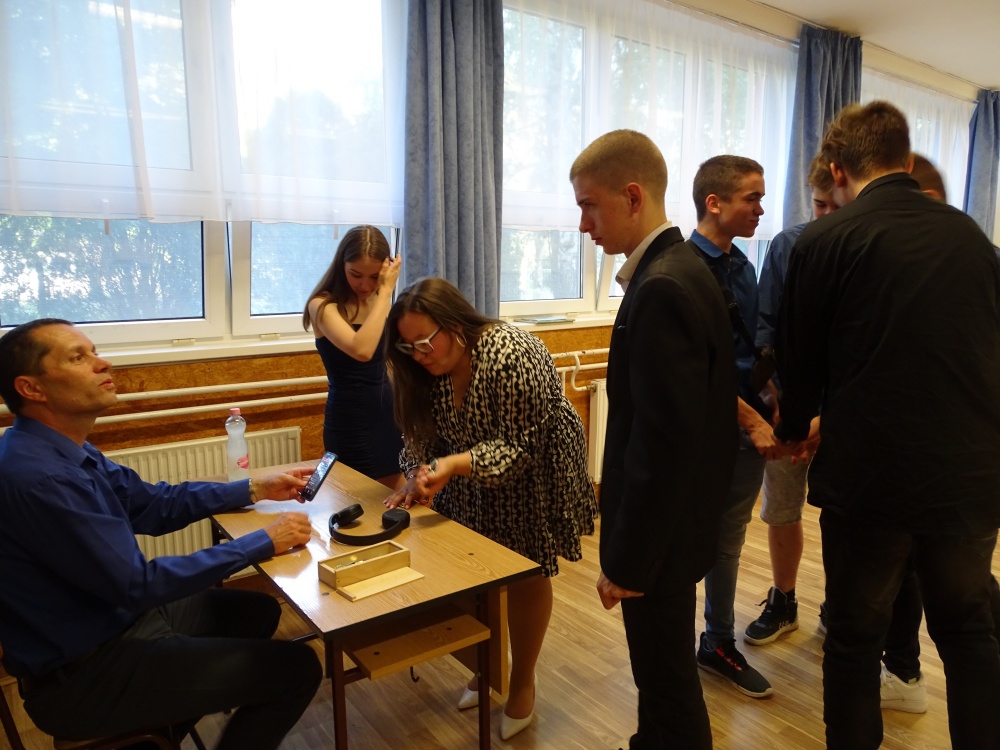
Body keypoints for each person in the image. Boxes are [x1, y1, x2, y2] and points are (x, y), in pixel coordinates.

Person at [773, 101, 1000, 750]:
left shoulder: (823, 242)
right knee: (969, 634)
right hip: (969, 478)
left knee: (853, 640)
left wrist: (792, 430)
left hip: (872, 481)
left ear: (837, 170)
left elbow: (799, 365)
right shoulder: (973, 240)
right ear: (905, 159)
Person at [0, 318, 323, 750]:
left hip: (114, 624)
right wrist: (263, 541)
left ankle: (166, 724)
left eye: (95, 352)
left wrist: (252, 488)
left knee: (257, 612)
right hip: (85, 674)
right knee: (298, 669)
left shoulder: (61, 448)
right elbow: (136, 584)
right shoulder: (41, 478)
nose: (103, 363)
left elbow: (152, 504)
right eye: (78, 357)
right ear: (31, 388)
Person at [570, 129, 738, 750]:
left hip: (659, 542)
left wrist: (628, 562)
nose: (584, 224)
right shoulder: (681, 269)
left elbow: (660, 448)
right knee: (661, 680)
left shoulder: (664, 285)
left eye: (590, 205)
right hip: (677, 530)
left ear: (633, 196)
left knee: (666, 681)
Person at [382, 277, 597, 741]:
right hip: (465, 471)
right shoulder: (426, 369)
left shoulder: (511, 353)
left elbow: (521, 446)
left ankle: (522, 681)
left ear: (455, 326)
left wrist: (451, 465)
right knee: (475, 570)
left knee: (525, 573)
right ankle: (488, 667)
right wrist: (417, 472)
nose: (419, 355)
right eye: (408, 347)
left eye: (425, 343)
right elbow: (421, 436)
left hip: (531, 471)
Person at [685, 155, 775, 699]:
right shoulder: (680, 270)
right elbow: (697, 372)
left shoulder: (741, 265)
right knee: (687, 538)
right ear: (714, 203)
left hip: (743, 431)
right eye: (752, 197)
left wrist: (773, 402)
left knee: (729, 539)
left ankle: (717, 641)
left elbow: (749, 353)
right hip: (700, 433)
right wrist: (750, 418)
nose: (761, 208)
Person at [742, 154, 837, 646]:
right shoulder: (787, 245)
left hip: (845, 410)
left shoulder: (869, 248)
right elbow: (766, 331)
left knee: (844, 513)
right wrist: (776, 402)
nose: (827, 216)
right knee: (781, 508)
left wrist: (829, 417)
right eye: (819, 206)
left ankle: (839, 605)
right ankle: (784, 600)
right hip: (789, 406)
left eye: (836, 206)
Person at [304, 225, 403, 488]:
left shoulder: (379, 303)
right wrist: (385, 293)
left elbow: (387, 362)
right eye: (356, 274)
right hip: (350, 419)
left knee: (396, 502)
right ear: (341, 265)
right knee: (357, 501)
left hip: (387, 416)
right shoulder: (322, 305)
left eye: (374, 277)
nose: (365, 285)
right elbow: (362, 350)